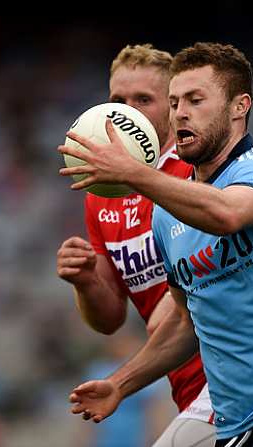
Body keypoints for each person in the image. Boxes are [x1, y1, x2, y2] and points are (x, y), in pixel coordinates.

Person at [59, 42, 253, 446]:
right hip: (236, 425)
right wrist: (120, 384)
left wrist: (135, 173)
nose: (180, 112)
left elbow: (227, 214)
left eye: (195, 100)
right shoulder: (167, 213)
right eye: (174, 102)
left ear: (239, 107)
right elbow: (184, 324)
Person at [55, 44, 215, 446]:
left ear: (172, 108)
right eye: (117, 100)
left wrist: (172, 303)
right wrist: (86, 279)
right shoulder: (100, 195)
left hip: (228, 369)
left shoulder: (197, 168)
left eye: (143, 99)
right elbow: (108, 320)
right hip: (182, 381)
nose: (126, 111)